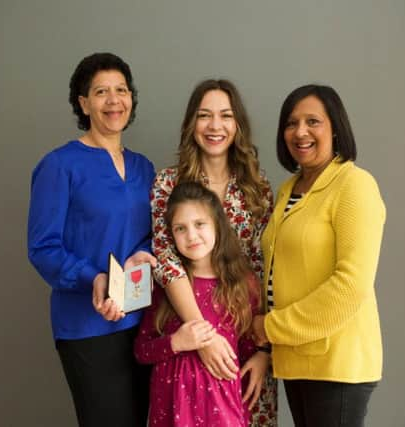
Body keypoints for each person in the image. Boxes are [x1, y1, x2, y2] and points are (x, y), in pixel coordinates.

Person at [27, 52, 155, 427]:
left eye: (121, 90)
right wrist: (95, 278)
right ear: (84, 103)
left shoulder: (143, 167)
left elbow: (152, 236)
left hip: (142, 322)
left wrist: (140, 258)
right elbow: (43, 248)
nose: (114, 100)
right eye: (101, 92)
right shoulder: (59, 166)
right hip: (86, 326)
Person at [252, 84, 386, 427]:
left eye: (313, 121)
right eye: (291, 123)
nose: (300, 132)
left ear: (336, 128)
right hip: (296, 358)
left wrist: (270, 327)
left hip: (336, 362)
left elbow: (350, 286)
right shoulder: (288, 190)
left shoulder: (355, 186)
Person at [150, 79, 277, 425]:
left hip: (244, 347)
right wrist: (203, 337)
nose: (215, 126)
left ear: (238, 125)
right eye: (205, 115)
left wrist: (265, 350)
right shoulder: (167, 184)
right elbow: (166, 261)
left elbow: (264, 269)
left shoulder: (257, 188)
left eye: (225, 115)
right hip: (188, 345)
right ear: (192, 123)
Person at [136, 181, 266, 426]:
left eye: (199, 224)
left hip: (223, 411)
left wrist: (262, 356)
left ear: (217, 224)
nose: (191, 236)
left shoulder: (242, 286)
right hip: (171, 412)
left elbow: (247, 352)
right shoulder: (166, 288)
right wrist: (176, 342)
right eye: (180, 228)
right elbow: (142, 350)